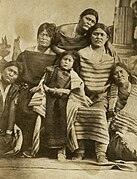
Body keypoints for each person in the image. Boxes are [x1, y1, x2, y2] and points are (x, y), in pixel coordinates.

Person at [67, 23, 118, 163]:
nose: (98, 37)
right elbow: (74, 76)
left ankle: (101, 153)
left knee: (99, 113)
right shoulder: (81, 54)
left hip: (101, 96)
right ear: (90, 36)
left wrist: (111, 101)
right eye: (95, 34)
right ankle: (79, 151)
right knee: (77, 111)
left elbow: (114, 82)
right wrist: (82, 95)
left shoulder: (111, 58)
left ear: (107, 38)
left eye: (102, 34)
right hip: (82, 94)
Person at [27, 50, 89, 161]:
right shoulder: (51, 70)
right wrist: (41, 88)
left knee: (63, 119)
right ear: (60, 60)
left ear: (73, 63)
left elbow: (74, 90)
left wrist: (56, 90)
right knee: (43, 117)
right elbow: (43, 82)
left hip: (64, 100)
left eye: (69, 60)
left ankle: (62, 151)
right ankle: (38, 148)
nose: (66, 62)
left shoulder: (73, 75)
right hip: (49, 98)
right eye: (64, 59)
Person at [15, 22, 57, 154]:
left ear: (52, 39)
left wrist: (42, 88)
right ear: (37, 36)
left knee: (40, 110)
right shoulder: (27, 53)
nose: (44, 38)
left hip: (44, 90)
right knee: (22, 107)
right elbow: (18, 70)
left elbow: (55, 77)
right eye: (42, 34)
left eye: (48, 36)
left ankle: (36, 148)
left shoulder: (54, 57)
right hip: (26, 88)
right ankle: (21, 145)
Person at [107, 62, 137, 161]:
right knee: (117, 148)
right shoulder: (113, 91)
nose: (119, 75)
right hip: (118, 126)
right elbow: (112, 112)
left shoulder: (135, 89)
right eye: (116, 73)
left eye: (121, 71)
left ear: (128, 73)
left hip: (134, 124)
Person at [0, 61, 23, 157]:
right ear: (3, 70)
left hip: (2, 128)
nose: (11, 74)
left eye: (15, 73)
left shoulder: (15, 89)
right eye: (10, 70)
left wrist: (9, 132)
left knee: (8, 142)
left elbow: (12, 110)